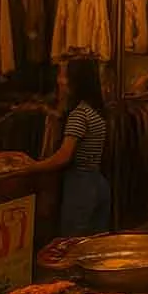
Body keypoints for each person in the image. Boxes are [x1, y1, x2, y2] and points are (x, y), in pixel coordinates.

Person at [32, 58, 110, 236]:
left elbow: (64, 156)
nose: (60, 80)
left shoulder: (79, 114)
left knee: (72, 245)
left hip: (80, 185)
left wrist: (32, 168)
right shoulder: (95, 111)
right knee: (95, 246)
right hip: (98, 182)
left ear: (76, 81)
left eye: (63, 75)